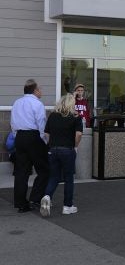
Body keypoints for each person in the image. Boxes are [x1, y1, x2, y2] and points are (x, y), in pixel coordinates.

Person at [40, 93, 83, 217]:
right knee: (69, 178)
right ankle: (67, 206)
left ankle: (47, 196)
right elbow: (79, 134)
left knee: (54, 176)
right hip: (67, 150)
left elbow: (46, 133)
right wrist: (75, 146)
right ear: (71, 104)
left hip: (53, 150)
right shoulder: (76, 117)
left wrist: (51, 144)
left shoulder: (53, 116)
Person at [10, 79, 50, 213]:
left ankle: (21, 204)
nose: (41, 91)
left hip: (20, 137)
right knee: (44, 170)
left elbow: (12, 123)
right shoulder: (37, 104)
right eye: (40, 89)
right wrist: (44, 141)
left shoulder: (17, 103)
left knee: (21, 172)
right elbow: (41, 125)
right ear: (35, 90)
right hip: (34, 137)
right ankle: (35, 198)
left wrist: (17, 137)